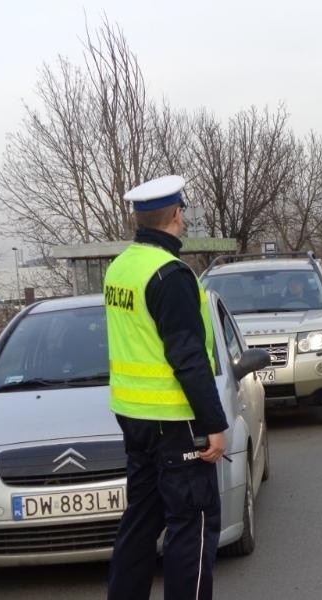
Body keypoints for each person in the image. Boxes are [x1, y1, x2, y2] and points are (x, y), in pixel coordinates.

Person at [104, 175, 228, 600]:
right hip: (174, 422)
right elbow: (188, 356)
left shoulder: (121, 267)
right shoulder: (170, 274)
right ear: (177, 215)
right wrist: (213, 423)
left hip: (134, 418)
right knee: (192, 526)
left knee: (140, 523)